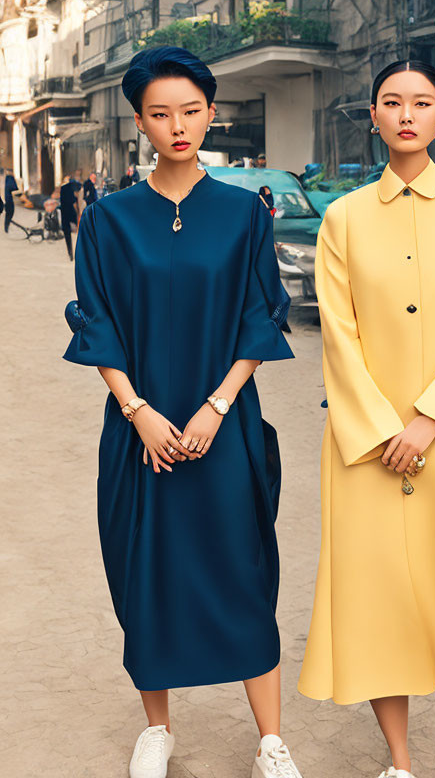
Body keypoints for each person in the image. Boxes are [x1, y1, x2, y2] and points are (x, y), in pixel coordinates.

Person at [62, 45, 302, 778]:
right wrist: (138, 412)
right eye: (161, 114)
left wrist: (214, 408)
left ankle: (269, 742)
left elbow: (261, 319)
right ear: (140, 122)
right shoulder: (108, 220)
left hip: (222, 430)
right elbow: (95, 322)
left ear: (211, 113)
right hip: (139, 432)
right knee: (148, 573)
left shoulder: (243, 213)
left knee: (243, 570)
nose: (178, 126)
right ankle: (158, 730)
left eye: (191, 111)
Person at [298, 60, 435, 778]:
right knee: (378, 607)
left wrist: (427, 421)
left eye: (421, 102)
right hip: (365, 455)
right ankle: (400, 763)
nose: (406, 114)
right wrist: (382, 428)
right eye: (391, 102)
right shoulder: (344, 219)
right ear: (372, 115)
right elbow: (341, 336)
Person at [59, 174, 82, 260]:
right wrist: (78, 213)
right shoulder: (73, 188)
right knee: (79, 232)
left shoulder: (63, 188)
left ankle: (70, 253)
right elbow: (74, 204)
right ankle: (76, 253)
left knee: (67, 234)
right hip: (71, 212)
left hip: (64, 212)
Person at [4, 169, 18, 233]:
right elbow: (14, 189)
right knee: (10, 212)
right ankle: (6, 228)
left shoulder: (7, 178)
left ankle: (6, 227)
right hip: (7, 200)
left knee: (8, 213)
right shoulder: (10, 178)